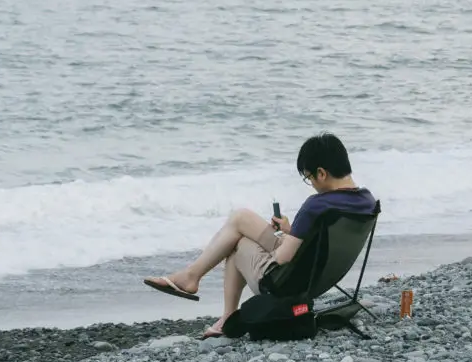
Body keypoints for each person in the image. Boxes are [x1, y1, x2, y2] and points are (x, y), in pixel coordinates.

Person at [143, 133, 377, 337]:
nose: (311, 184)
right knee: (241, 219)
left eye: (309, 178)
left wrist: (269, 243)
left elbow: (283, 258)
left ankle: (205, 293)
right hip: (320, 276)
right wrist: (291, 231)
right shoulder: (366, 201)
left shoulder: (317, 205)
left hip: (286, 285)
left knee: (237, 240)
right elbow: (320, 242)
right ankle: (199, 285)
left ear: (322, 173)